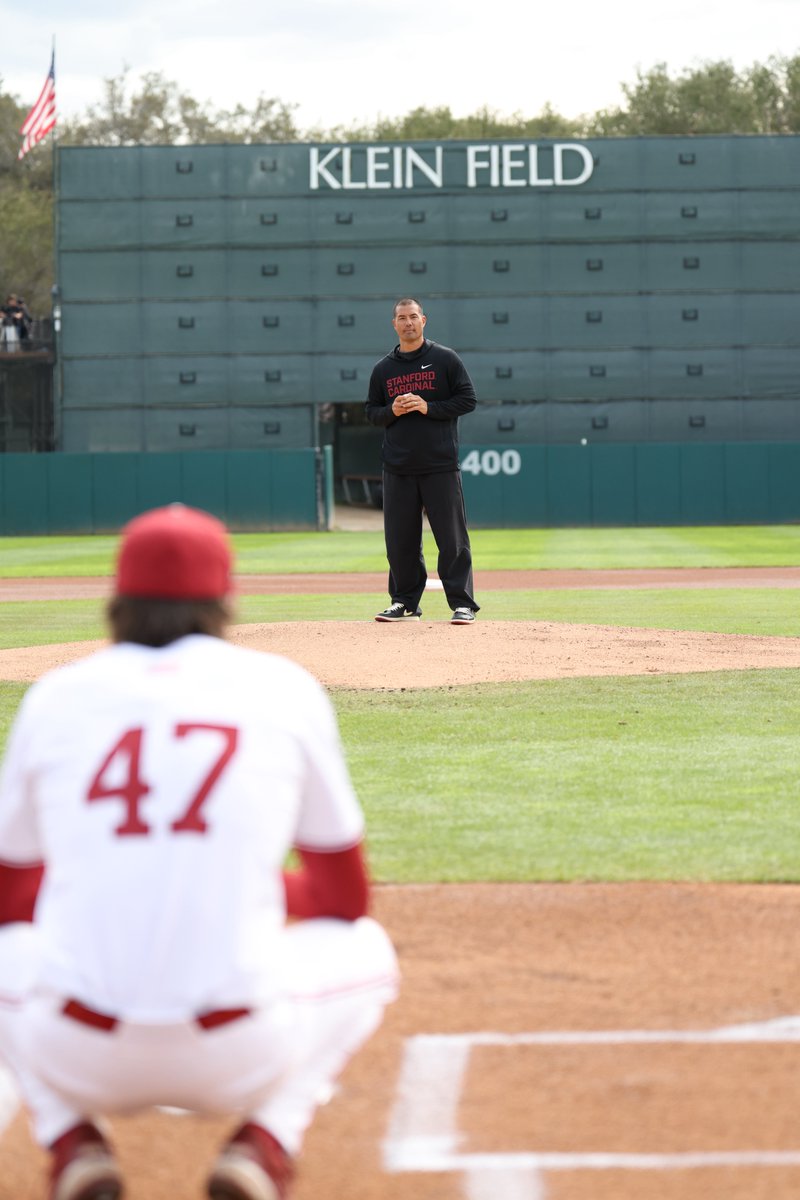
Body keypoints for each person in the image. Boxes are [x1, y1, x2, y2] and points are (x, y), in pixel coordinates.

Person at [0, 503, 399, 1200]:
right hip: (239, 1050)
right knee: (366, 949)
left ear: (117, 601)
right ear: (224, 602)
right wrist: (243, 878)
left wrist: (109, 871)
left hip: (79, 1051)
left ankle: (69, 1143)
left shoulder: (56, 697)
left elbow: (9, 899)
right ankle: (267, 1143)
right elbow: (345, 898)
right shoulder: (283, 689)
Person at [365, 297, 480, 625]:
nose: (408, 323)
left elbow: (468, 399)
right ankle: (404, 603)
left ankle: (463, 604)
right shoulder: (383, 369)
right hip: (397, 466)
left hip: (439, 463)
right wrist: (392, 410)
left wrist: (428, 407)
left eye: (413, 317)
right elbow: (371, 413)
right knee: (400, 541)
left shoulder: (445, 359)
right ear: (394, 324)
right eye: (402, 318)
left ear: (423, 320)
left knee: (452, 539)